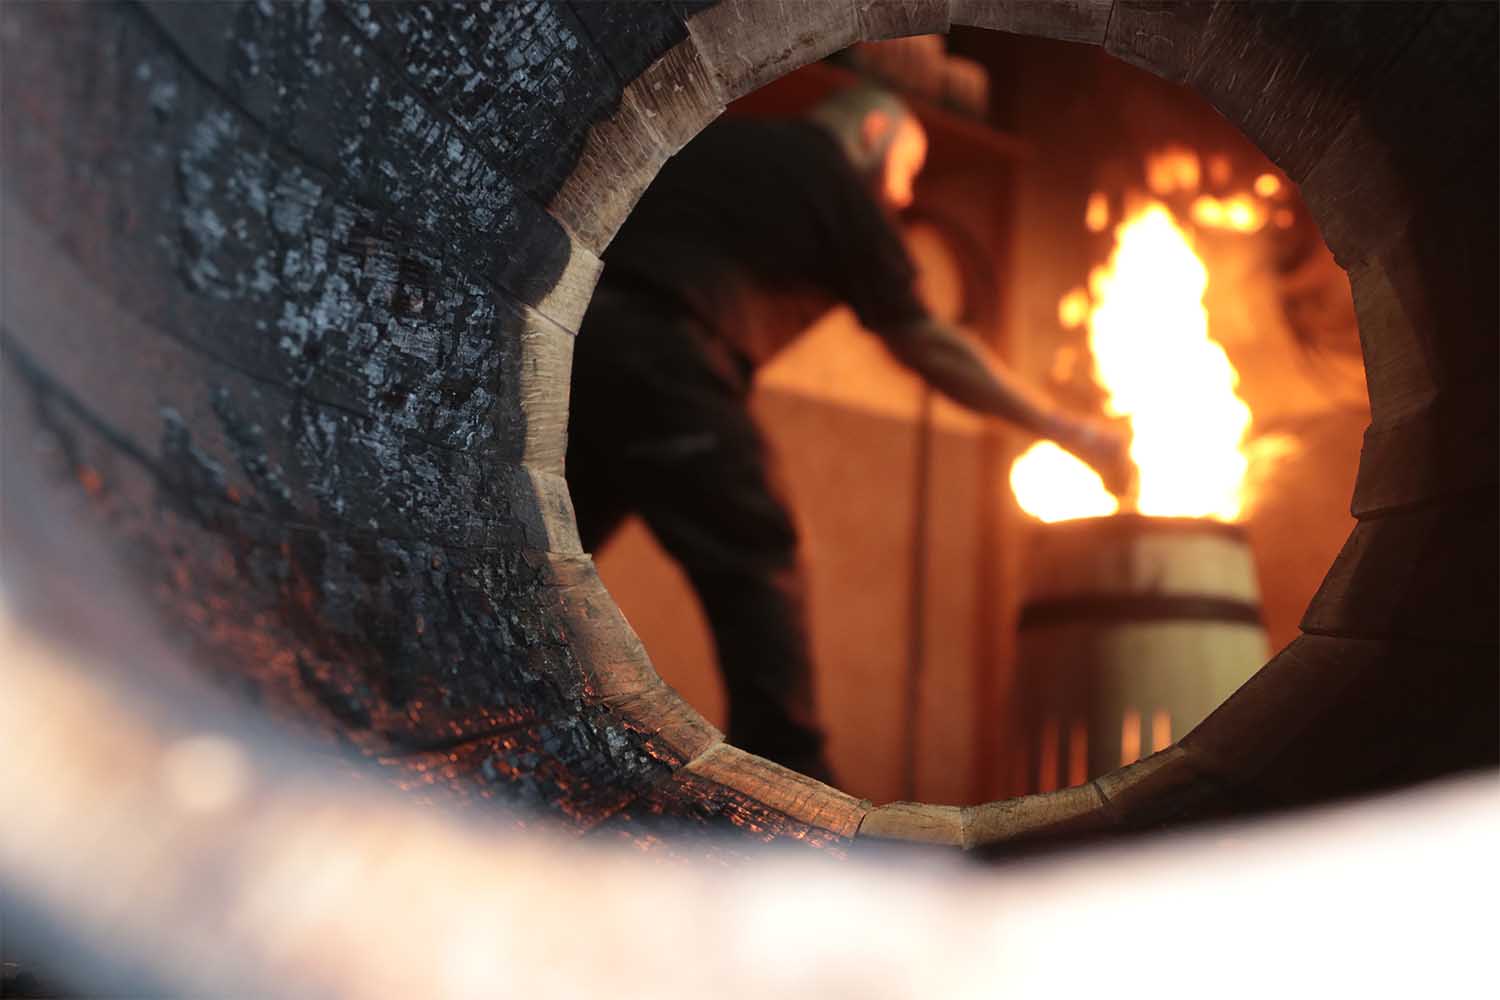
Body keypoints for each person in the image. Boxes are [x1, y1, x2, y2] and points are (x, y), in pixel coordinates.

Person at [566, 85, 1129, 783]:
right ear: (872, 131)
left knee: (552, 547)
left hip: (571, 355)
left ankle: (486, 706)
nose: (901, 197)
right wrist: (1070, 430)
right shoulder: (833, 179)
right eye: (907, 172)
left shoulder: (722, 144)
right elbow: (929, 343)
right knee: (756, 547)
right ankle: (790, 784)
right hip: (664, 353)